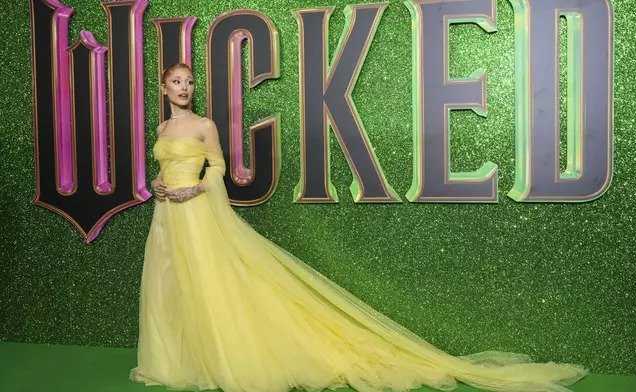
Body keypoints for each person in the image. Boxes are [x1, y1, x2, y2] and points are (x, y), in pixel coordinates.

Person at [130, 63, 588, 392]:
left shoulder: (204, 124)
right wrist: (159, 182)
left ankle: (227, 354)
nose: (185, 87)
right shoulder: (165, 127)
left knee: (212, 281)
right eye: (177, 82)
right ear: (165, 88)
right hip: (167, 215)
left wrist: (191, 191)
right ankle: (182, 358)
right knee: (171, 283)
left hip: (197, 212)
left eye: (189, 82)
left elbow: (218, 167)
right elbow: (167, 165)